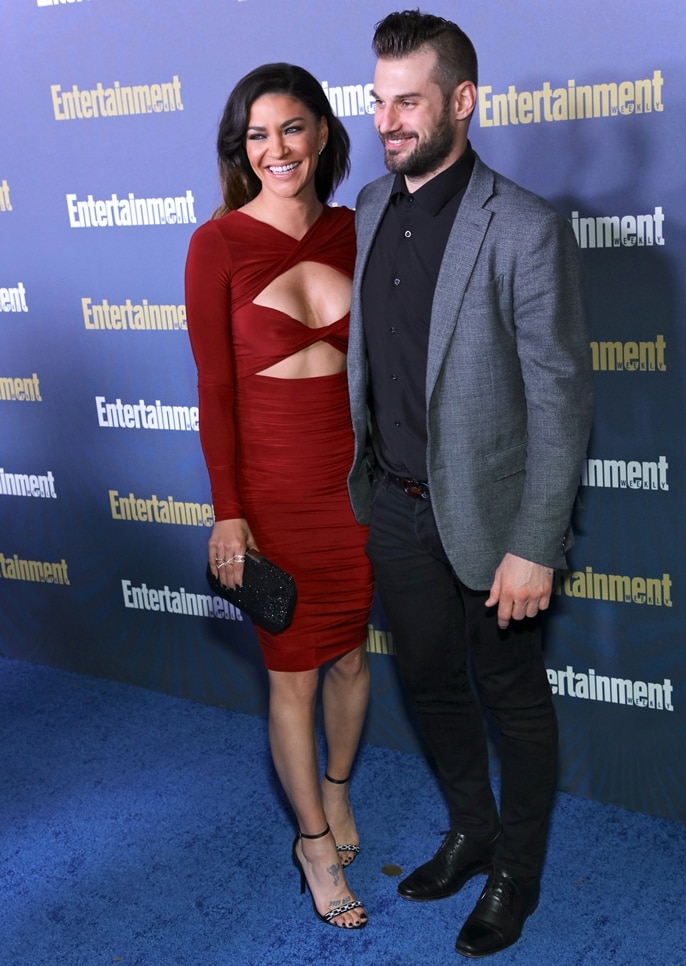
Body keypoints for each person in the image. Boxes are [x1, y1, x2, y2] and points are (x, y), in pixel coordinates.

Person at [347, 11, 593, 958]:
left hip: (497, 525)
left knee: (514, 703)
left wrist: (536, 541)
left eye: (408, 101)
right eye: (378, 100)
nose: (388, 120)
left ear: (462, 101)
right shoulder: (370, 209)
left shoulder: (523, 227)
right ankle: (470, 828)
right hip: (397, 511)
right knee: (432, 687)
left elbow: (562, 400)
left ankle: (515, 876)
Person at [184, 63, 373, 930]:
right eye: (257, 136)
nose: (275, 150)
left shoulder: (357, 230)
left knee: (350, 659)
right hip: (270, 488)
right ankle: (309, 843)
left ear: (322, 134)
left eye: (291, 129)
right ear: (241, 149)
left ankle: (336, 793)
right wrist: (230, 509)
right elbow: (215, 391)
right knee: (292, 676)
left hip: (351, 482)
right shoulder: (215, 243)